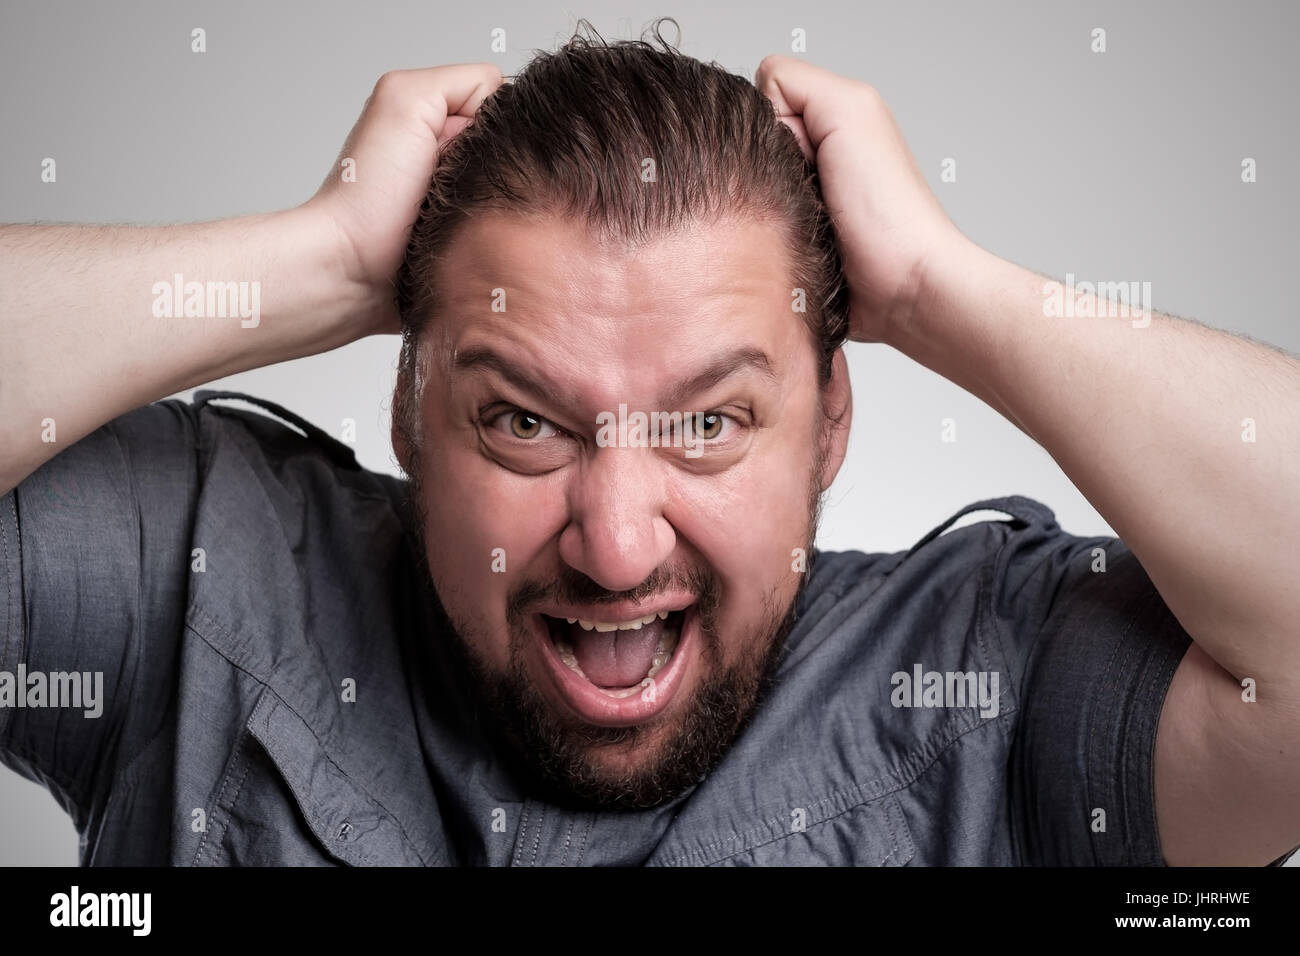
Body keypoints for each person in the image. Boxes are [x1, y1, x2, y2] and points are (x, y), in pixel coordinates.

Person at [1, 25, 1297, 866]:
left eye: (709, 423)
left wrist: (948, 289)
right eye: (521, 419)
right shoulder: (199, 567)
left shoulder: (987, 692)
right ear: (407, 410)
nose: (617, 547)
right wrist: (319, 261)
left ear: (830, 421)